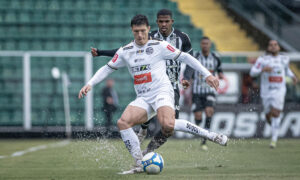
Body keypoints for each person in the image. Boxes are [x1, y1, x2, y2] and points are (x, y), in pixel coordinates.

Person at [79, 15, 228, 174]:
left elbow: (185, 57)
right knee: (123, 123)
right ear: (132, 31)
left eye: (143, 31)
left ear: (149, 29)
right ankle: (139, 163)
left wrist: (207, 75)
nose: (140, 35)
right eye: (136, 31)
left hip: (162, 92)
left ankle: (211, 135)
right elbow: (107, 68)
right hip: (143, 97)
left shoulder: (159, 46)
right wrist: (90, 84)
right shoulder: (125, 51)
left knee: (168, 125)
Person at [91, 8, 194, 151]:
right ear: (156, 22)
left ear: (172, 22)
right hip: (153, 83)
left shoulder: (183, 38)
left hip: (172, 85)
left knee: (170, 126)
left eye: (167, 21)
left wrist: (187, 77)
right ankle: (144, 129)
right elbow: (125, 51)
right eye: (161, 21)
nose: (164, 24)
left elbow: (190, 59)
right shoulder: (148, 36)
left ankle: (148, 150)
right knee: (148, 108)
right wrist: (101, 53)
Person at [250, 40, 298, 148]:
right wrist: (263, 69)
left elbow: (286, 70)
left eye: (275, 45)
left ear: (279, 47)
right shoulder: (262, 59)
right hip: (266, 91)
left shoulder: (284, 58)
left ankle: (273, 140)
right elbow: (252, 72)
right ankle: (271, 124)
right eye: (271, 45)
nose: (273, 47)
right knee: (268, 114)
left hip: (279, 89)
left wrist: (293, 76)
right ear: (268, 47)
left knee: (276, 113)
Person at [183, 36, 224, 151]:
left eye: (207, 43)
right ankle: (199, 126)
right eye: (203, 44)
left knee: (209, 111)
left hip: (210, 91)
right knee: (198, 116)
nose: (205, 45)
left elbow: (220, 70)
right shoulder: (195, 57)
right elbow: (190, 70)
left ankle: (204, 140)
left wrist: (220, 76)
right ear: (201, 45)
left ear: (210, 45)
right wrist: (188, 80)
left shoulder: (216, 57)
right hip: (197, 92)